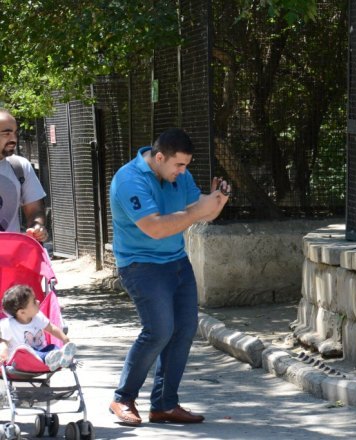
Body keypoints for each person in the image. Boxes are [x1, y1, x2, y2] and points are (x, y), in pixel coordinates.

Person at [108, 128, 230, 426]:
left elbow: (204, 212)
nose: (183, 172)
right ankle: (122, 399)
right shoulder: (129, 180)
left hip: (176, 262)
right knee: (159, 331)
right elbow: (156, 227)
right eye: (179, 165)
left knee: (184, 329)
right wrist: (198, 211)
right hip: (141, 266)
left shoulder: (179, 176)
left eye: (186, 165)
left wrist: (219, 200)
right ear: (159, 157)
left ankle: (164, 404)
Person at [0, 285, 77, 371]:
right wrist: (3, 352)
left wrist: (64, 338)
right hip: (23, 360)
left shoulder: (38, 317)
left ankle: (63, 357)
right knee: (24, 349)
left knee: (53, 347)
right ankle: (53, 359)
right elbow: (4, 342)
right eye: (33, 302)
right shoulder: (8, 325)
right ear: (22, 312)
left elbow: (51, 328)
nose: (38, 301)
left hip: (42, 351)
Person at [0, 109, 49, 242]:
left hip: (10, 258)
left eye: (15, 133)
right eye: (7, 134)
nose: (14, 139)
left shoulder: (20, 166)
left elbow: (35, 210)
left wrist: (37, 227)